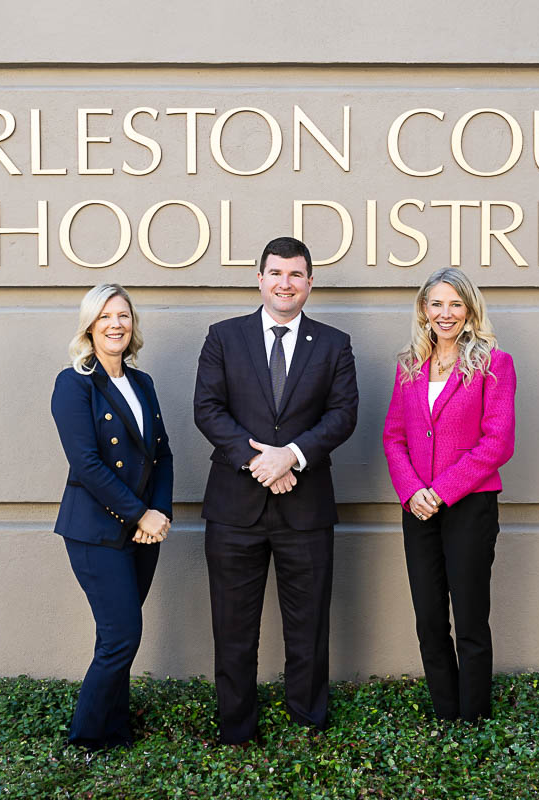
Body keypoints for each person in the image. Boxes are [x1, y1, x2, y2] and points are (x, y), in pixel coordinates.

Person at [193, 236, 359, 745]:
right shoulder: (224, 337)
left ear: (309, 282)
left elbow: (343, 415)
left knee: (308, 627)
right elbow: (208, 409)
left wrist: (292, 455)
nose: (285, 283)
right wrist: (260, 462)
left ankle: (307, 724)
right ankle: (236, 730)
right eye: (276, 273)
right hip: (234, 511)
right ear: (260, 279)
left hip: (306, 511)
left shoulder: (334, 344)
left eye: (295, 274)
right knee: (232, 628)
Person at [381, 267, 516, 722]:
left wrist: (440, 491)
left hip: (468, 507)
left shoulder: (494, 364)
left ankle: (473, 719)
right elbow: (394, 437)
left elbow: (498, 443)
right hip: (417, 508)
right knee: (429, 618)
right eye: (437, 303)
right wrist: (411, 491)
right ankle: (446, 715)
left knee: (471, 619)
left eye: (456, 304)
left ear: (470, 309)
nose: (446, 313)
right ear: (424, 309)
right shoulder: (409, 365)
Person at [50, 283, 173, 750]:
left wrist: (158, 513)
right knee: (121, 636)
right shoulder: (74, 383)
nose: (115, 324)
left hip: (142, 531)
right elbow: (87, 464)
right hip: (96, 529)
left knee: (119, 635)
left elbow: (162, 454)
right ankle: (85, 739)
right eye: (104, 317)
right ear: (89, 327)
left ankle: (116, 731)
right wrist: (139, 514)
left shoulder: (143, 383)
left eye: (123, 315)